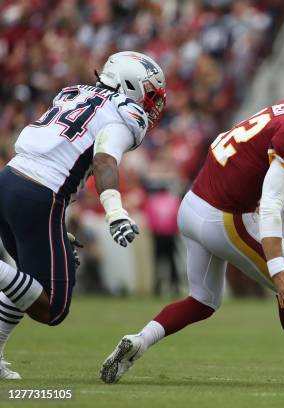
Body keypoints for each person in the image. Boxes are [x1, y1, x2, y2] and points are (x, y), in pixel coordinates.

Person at [100, 81, 284, 386]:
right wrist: (278, 266)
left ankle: (140, 340)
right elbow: (270, 203)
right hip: (224, 217)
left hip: (192, 205)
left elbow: (271, 188)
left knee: (203, 300)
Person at [0, 51, 166, 379]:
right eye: (150, 93)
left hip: (10, 179)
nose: (152, 104)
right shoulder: (126, 113)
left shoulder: (75, 92)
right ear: (130, 84)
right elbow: (105, 160)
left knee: (29, 284)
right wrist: (116, 211)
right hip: (39, 194)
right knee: (54, 306)